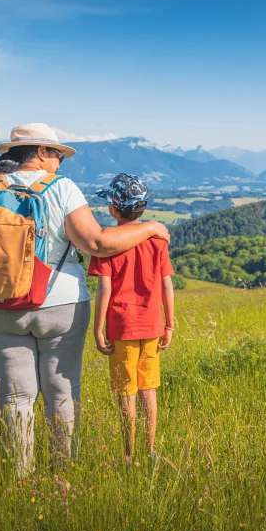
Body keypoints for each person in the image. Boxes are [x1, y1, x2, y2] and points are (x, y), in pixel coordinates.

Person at [0, 123, 171, 473]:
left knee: (15, 397)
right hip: (59, 304)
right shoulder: (62, 188)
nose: (61, 162)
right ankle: (63, 476)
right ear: (41, 152)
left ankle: (19, 481)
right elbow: (97, 243)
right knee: (61, 392)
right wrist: (153, 228)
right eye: (58, 154)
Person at [89, 174, 175, 460]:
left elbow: (104, 288)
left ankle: (129, 455)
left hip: (121, 327)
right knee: (148, 390)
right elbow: (166, 284)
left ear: (113, 209)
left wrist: (98, 329)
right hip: (151, 326)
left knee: (125, 393)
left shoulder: (106, 243)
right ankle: (149, 452)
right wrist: (170, 324)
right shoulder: (157, 242)